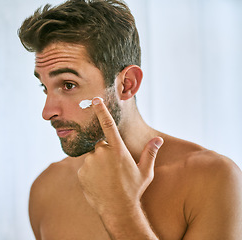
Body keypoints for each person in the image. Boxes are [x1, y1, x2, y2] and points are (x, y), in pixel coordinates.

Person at [18, 0, 242, 239]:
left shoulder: (213, 180)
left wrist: (121, 211)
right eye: (45, 87)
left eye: (68, 84)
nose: (47, 112)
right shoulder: (46, 190)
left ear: (127, 84)